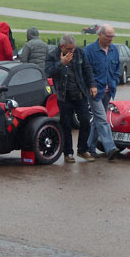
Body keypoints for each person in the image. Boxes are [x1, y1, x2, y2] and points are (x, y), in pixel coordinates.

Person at [45, 34, 96, 163]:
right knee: (66, 125)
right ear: (61, 46)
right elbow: (47, 72)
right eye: (68, 49)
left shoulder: (79, 52)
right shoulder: (52, 55)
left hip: (80, 93)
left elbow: (87, 69)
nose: (71, 51)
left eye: (73, 48)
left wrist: (92, 85)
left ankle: (82, 149)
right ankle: (68, 153)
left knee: (85, 121)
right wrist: (61, 63)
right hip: (64, 96)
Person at [83, 24, 121, 160]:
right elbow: (85, 71)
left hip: (108, 90)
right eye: (108, 36)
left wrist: (115, 81)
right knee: (102, 119)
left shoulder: (114, 50)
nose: (111, 39)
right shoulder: (89, 51)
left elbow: (117, 67)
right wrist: (91, 85)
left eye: (112, 36)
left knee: (98, 121)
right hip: (94, 92)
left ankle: (89, 147)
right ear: (100, 35)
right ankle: (110, 148)